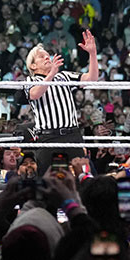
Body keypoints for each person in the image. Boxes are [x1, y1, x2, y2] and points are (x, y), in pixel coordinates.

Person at [21, 31, 98, 175]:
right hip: (48, 137)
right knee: (46, 181)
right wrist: (51, 74)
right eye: (41, 56)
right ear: (32, 66)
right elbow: (35, 94)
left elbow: (91, 79)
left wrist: (92, 54)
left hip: (72, 135)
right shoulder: (30, 81)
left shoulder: (63, 76)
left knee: (85, 175)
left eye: (47, 55)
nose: (46, 57)